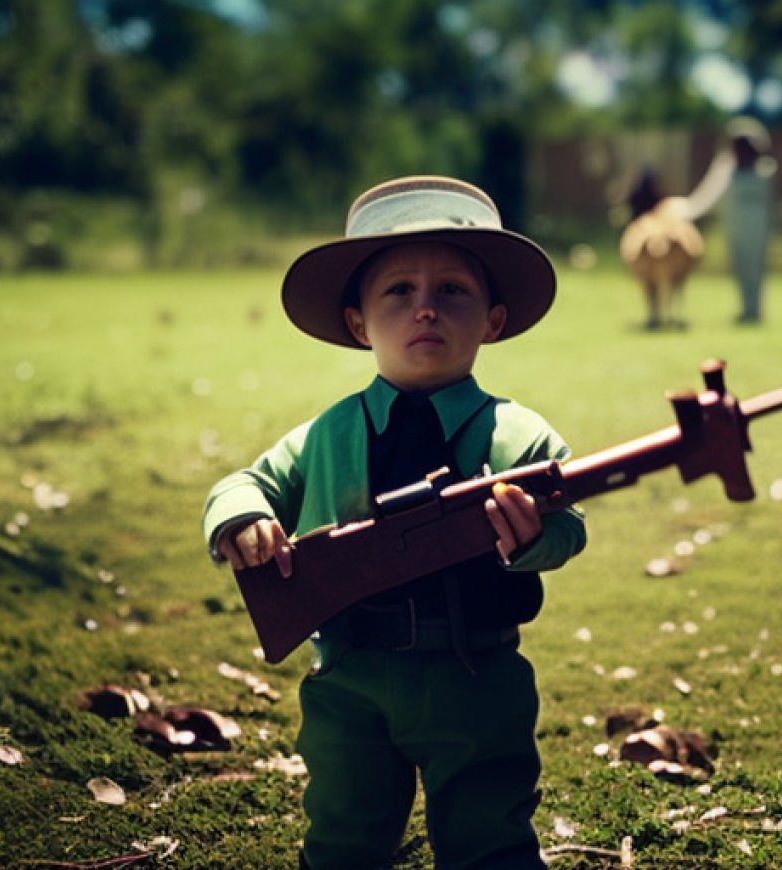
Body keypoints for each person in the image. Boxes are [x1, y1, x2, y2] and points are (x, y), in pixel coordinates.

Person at [202, 175, 587, 869]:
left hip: (477, 674)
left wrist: (533, 538)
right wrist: (244, 518)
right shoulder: (328, 434)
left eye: (453, 291)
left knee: (489, 836)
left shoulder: (522, 438)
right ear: (358, 322)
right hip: (349, 675)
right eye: (399, 292)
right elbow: (243, 483)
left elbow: (569, 529)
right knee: (344, 834)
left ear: (493, 320)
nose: (426, 310)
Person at [722, 117, 776, 324]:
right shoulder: (731, 171)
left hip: (757, 227)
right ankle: (745, 308)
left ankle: (755, 310)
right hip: (736, 226)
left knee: (756, 269)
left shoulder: (765, 170)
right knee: (741, 268)